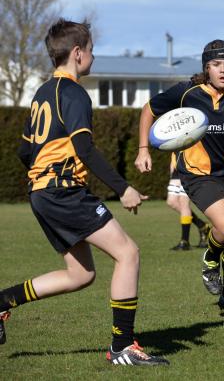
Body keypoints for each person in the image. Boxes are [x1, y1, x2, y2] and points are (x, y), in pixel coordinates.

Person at [0, 19, 169, 366]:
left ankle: (3, 301)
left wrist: (42, 182)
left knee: (81, 275)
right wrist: (123, 188)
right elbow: (84, 148)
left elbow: (23, 151)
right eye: (91, 50)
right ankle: (122, 346)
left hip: (42, 193)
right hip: (63, 192)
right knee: (128, 254)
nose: (93, 57)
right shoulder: (73, 92)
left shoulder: (42, 93)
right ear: (77, 53)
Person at [135, 40, 224, 316]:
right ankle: (210, 258)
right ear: (206, 68)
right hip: (199, 175)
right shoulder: (188, 92)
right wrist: (143, 149)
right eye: (215, 65)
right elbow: (149, 110)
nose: (222, 71)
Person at [167, 153, 211, 250]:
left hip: (189, 167)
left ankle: (185, 241)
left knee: (184, 203)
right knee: (171, 202)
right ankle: (202, 226)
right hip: (176, 168)